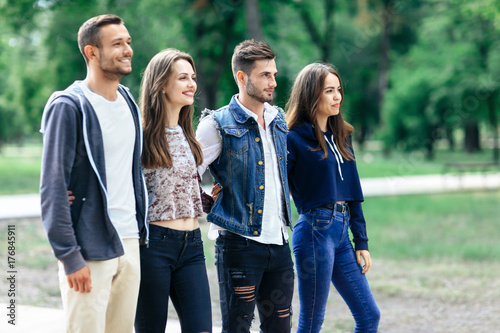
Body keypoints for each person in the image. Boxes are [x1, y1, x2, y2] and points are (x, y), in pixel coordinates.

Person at [39, 14, 148, 333]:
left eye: (128, 42)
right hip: (89, 245)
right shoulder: (69, 105)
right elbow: (52, 186)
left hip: (128, 239)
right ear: (92, 52)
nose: (127, 49)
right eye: (117, 43)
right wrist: (69, 255)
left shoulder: (129, 102)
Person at [196, 39, 294, 332]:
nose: (273, 82)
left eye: (274, 74)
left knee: (279, 329)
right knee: (237, 328)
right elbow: (184, 173)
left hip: (279, 243)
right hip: (239, 245)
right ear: (242, 77)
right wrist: (209, 204)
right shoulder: (216, 125)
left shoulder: (279, 121)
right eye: (265, 75)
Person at [286, 63, 381, 332]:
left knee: (369, 316)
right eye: (329, 91)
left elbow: (353, 193)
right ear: (310, 95)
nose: (337, 96)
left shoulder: (343, 136)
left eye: (338, 90)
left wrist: (360, 240)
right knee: (312, 320)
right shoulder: (293, 139)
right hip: (314, 231)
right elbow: (278, 185)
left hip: (342, 234)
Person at [134, 49, 212, 333]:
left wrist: (205, 200)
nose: (192, 83)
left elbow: (175, 189)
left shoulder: (189, 135)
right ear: (162, 85)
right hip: (154, 246)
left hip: (192, 245)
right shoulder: (139, 136)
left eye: (192, 77)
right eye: (182, 78)